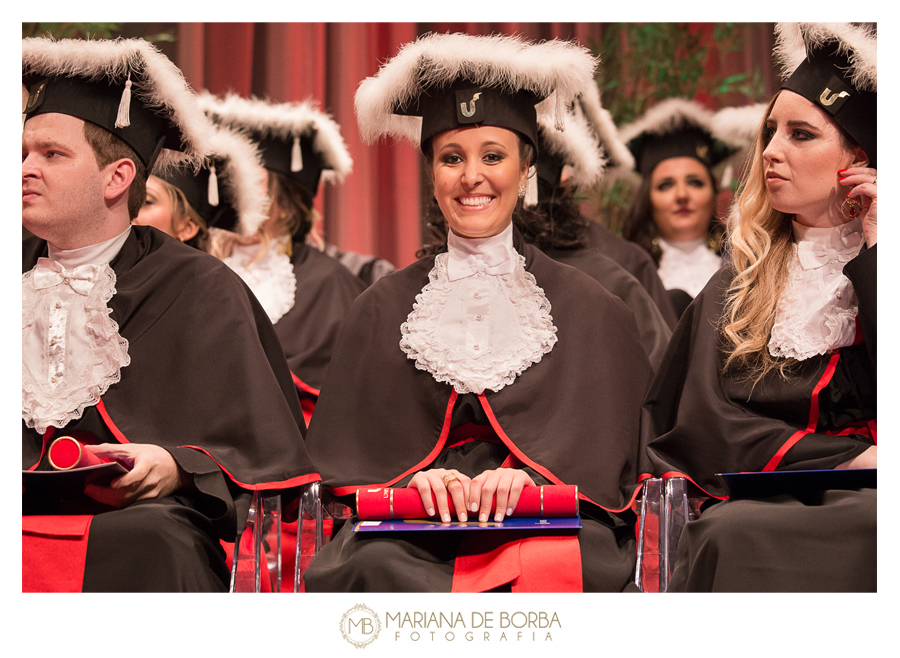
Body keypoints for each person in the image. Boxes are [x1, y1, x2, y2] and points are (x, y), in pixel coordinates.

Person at [303, 32, 653, 593]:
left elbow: (613, 454)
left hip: (549, 516)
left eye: (493, 156)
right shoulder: (379, 308)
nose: (472, 177)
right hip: (409, 521)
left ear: (526, 170)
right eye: (451, 158)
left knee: (568, 562)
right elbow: (345, 460)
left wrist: (527, 479)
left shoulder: (592, 306)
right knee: (374, 566)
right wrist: (416, 481)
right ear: (432, 173)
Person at [22, 37, 319, 592]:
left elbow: (257, 452)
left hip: (135, 525)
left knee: (155, 539)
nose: (25, 170)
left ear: (117, 178)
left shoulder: (203, 289)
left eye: (51, 155)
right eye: (22, 154)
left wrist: (177, 463)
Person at [641, 22, 877, 592]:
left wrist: (878, 250)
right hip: (764, 500)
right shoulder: (737, 286)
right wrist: (845, 458)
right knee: (734, 534)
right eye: (770, 132)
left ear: (860, 158)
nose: (769, 152)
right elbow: (696, 421)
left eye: (800, 135)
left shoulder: (881, 265)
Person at [198, 92, 367, 421]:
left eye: (254, 183)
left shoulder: (328, 283)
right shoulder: (190, 270)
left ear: (288, 202)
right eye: (231, 181)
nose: (240, 196)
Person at [619, 98, 739, 318]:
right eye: (666, 185)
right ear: (647, 198)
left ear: (714, 193)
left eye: (695, 182)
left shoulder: (743, 263)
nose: (682, 195)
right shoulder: (626, 271)